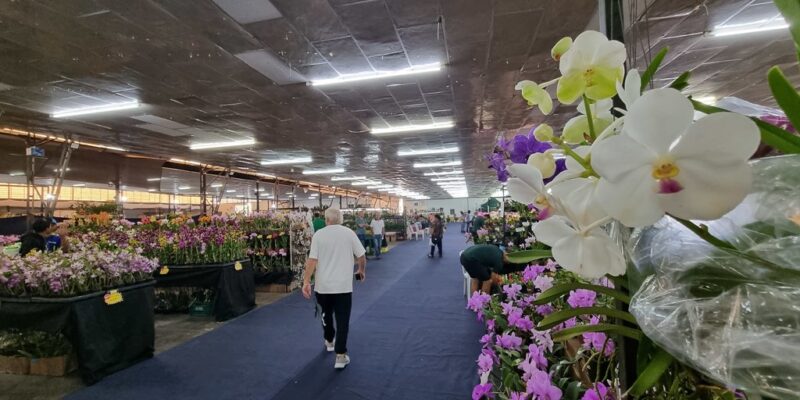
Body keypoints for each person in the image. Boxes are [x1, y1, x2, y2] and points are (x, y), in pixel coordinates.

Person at [302, 207, 367, 370]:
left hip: (323, 286)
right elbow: (361, 256)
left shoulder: (319, 235)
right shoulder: (349, 233)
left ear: (326, 220)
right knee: (343, 320)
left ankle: (329, 340)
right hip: (343, 286)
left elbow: (312, 260)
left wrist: (306, 281)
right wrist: (361, 270)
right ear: (341, 219)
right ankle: (340, 356)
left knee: (326, 315)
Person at [460, 244, 527, 294]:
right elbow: (493, 279)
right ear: (506, 254)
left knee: (476, 278)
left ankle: (474, 302)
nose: (509, 262)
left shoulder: (497, 250)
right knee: (487, 281)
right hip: (471, 260)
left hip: (464, 256)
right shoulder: (499, 261)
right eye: (510, 260)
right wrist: (500, 285)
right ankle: (483, 304)